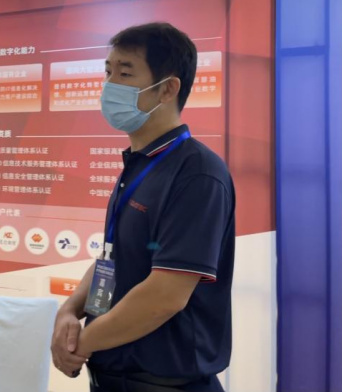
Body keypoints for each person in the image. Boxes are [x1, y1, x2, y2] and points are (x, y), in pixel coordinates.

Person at [51, 23, 235, 392]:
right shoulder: (139, 164)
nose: (109, 85)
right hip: (112, 378)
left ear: (167, 89)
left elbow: (165, 296)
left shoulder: (197, 173)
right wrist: (69, 310)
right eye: (108, 72)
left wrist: (79, 344)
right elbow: (113, 258)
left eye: (125, 73)